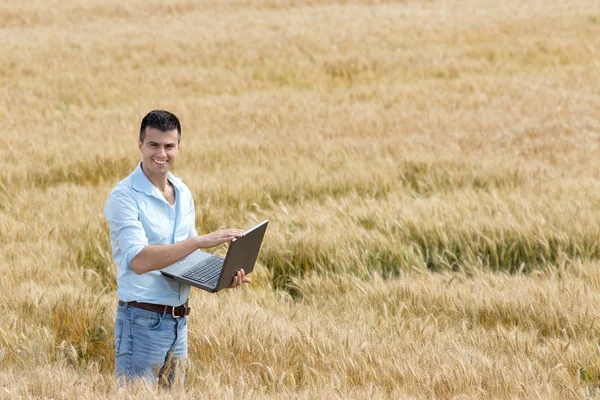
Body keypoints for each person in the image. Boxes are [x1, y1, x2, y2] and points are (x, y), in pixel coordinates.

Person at [104, 110, 251, 387]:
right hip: (141, 322)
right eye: (153, 145)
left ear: (178, 147)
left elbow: (188, 256)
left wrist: (221, 277)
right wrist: (198, 241)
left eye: (169, 146)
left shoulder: (183, 191)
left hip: (179, 322)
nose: (162, 153)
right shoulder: (124, 197)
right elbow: (138, 261)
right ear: (140, 145)